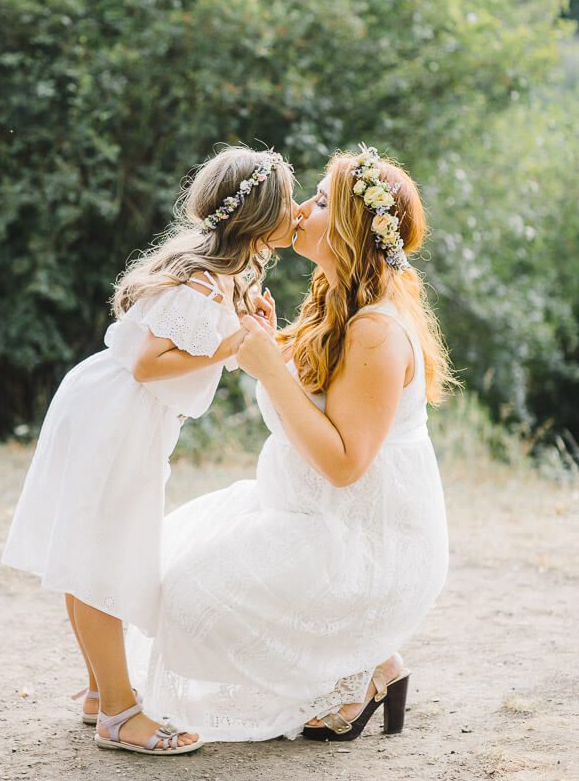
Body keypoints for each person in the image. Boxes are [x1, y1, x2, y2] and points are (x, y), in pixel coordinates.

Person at [127, 144, 453, 743]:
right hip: (303, 512)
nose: (302, 207)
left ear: (352, 228)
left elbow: (345, 465)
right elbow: (318, 400)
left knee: (188, 599)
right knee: (162, 562)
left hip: (361, 538)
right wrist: (271, 344)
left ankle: (361, 661)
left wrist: (271, 371)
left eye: (322, 200)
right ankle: (375, 665)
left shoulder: (376, 330)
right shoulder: (335, 300)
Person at [1, 146, 297, 756]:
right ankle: (119, 713)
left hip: (116, 411)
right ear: (261, 216)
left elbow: (210, 349)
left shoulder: (225, 277)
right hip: (118, 416)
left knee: (95, 547)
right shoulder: (202, 280)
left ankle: (98, 691)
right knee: (100, 556)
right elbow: (147, 363)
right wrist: (234, 342)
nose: (296, 213)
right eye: (290, 202)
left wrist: (254, 334)